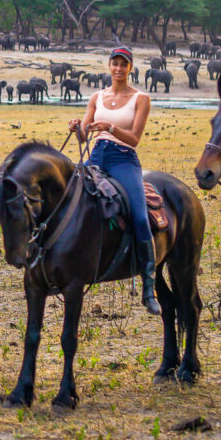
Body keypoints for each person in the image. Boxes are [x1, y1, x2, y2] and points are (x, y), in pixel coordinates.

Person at [68, 46, 161, 315]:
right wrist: (77, 127)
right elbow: (85, 135)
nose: (119, 68)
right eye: (115, 63)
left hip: (123, 159)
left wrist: (110, 127)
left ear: (130, 68)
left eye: (124, 64)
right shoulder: (97, 96)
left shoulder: (141, 98)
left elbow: (134, 139)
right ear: (109, 66)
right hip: (96, 156)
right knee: (68, 197)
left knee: (140, 216)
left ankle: (149, 285)